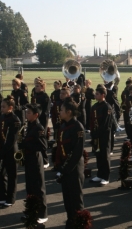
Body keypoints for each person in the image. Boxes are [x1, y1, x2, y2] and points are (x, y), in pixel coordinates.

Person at [55, 97, 85, 228]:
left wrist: (65, 169)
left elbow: (76, 152)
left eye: (61, 110)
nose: (59, 112)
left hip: (73, 169)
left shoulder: (77, 127)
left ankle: (79, 224)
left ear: (69, 112)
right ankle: (70, 222)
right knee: (67, 200)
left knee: (76, 201)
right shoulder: (63, 125)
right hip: (65, 168)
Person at [20, 103, 48, 224]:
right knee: (30, 187)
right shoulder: (30, 125)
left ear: (36, 115)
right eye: (26, 112)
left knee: (38, 188)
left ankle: (42, 214)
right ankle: (32, 212)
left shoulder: (39, 127)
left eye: (29, 113)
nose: (26, 114)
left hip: (36, 160)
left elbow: (43, 146)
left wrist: (26, 145)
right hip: (29, 159)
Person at [0, 95, 20, 208]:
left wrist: (3, 151)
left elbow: (11, 139)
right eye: (1, 106)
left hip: (10, 151)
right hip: (1, 150)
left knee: (11, 175)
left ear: (10, 107)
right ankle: (1, 197)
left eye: (4, 107)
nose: (1, 108)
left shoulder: (15, 120)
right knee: (0, 174)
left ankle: (10, 198)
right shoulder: (2, 117)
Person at [89, 86, 113, 185]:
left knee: (104, 155)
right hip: (96, 135)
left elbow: (106, 124)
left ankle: (105, 177)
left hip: (104, 135)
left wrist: (98, 133)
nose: (95, 95)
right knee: (98, 154)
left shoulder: (107, 107)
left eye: (97, 94)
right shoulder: (94, 106)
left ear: (103, 95)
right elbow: (91, 120)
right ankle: (99, 174)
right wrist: (93, 133)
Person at [31, 78, 51, 168]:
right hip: (35, 120)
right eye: (35, 86)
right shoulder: (35, 95)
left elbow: (46, 111)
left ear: (42, 87)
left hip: (42, 120)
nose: (35, 88)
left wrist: (37, 116)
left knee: (42, 139)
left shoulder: (45, 97)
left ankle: (46, 160)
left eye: (37, 86)